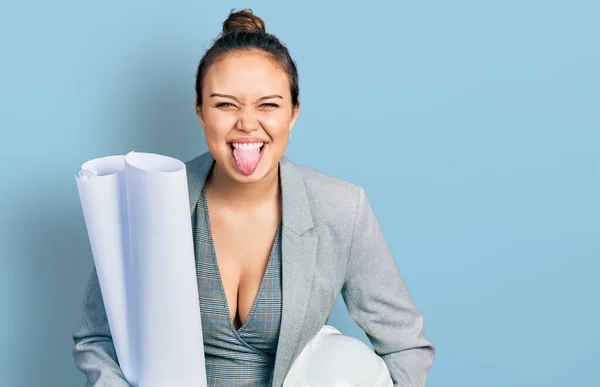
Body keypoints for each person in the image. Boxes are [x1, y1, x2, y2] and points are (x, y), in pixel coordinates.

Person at [72, 8, 435, 387]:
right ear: (200, 111)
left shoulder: (342, 208)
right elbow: (97, 339)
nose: (247, 122)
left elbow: (406, 346)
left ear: (293, 114)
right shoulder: (148, 201)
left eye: (268, 105)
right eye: (225, 104)